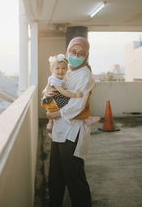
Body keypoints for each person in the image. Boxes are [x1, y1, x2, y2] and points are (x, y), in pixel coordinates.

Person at [46, 36, 96, 207]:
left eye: (81, 53)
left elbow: (78, 105)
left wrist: (56, 114)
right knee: (55, 176)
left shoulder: (85, 75)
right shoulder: (67, 70)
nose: (76, 55)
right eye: (73, 52)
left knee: (74, 179)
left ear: (86, 55)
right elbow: (53, 89)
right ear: (67, 51)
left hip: (72, 133)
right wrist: (47, 95)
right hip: (59, 131)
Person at [42, 53, 100, 133]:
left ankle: (50, 123)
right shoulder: (55, 80)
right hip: (55, 101)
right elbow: (63, 92)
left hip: (53, 101)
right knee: (72, 107)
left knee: (67, 107)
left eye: (63, 68)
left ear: (67, 69)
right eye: (57, 68)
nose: (61, 71)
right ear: (51, 70)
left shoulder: (61, 77)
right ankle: (86, 118)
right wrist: (75, 95)